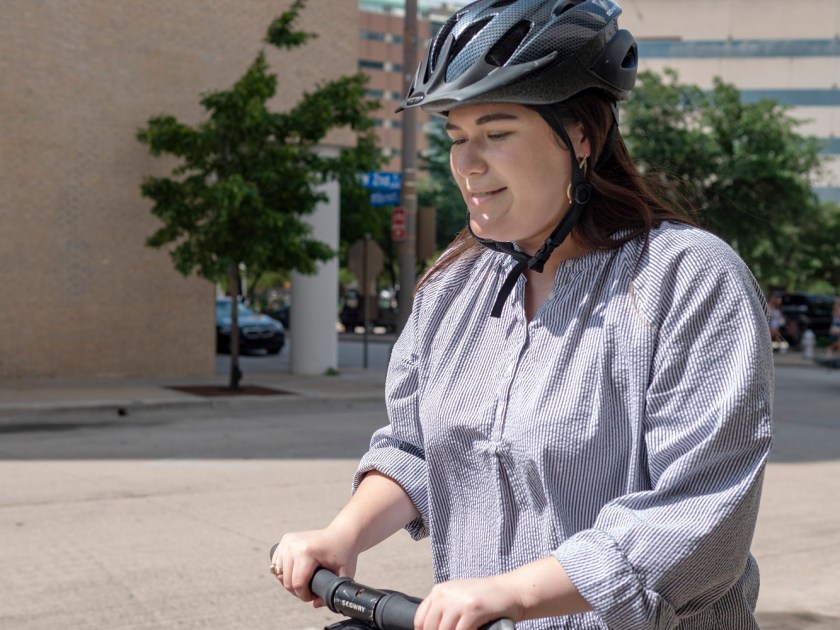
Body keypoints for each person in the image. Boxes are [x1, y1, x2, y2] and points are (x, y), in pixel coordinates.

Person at [272, 1, 773, 628]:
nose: (467, 163)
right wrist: (341, 534)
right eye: (457, 138)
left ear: (582, 136)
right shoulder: (453, 286)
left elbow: (698, 513)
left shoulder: (689, 280)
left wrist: (512, 595)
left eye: (497, 132)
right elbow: (418, 450)